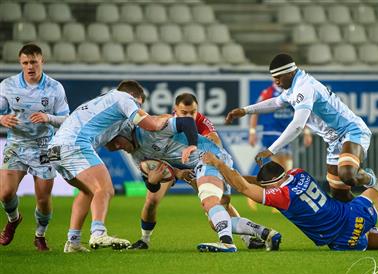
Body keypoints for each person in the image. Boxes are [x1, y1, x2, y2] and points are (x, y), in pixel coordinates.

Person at [202, 142, 378, 251]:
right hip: (356, 212)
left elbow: (246, 188)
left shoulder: (280, 196)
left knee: (357, 238)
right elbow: (254, 183)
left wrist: (217, 164)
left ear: (271, 185)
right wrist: (232, 176)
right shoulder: (298, 173)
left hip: (343, 240)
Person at [106, 116, 282, 252]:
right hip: (203, 165)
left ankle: (227, 243)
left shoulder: (150, 129)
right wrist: (152, 182)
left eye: (116, 141)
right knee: (217, 221)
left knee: (209, 200)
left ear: (125, 131)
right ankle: (267, 233)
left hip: (208, 158)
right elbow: (152, 184)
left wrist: (191, 145)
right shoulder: (137, 156)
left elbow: (187, 122)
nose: (116, 146)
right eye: (111, 145)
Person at [48, 80, 178, 253]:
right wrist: (167, 122)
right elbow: (149, 123)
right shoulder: (123, 98)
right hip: (75, 144)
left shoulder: (102, 103)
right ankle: (98, 233)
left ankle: (73, 242)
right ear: (136, 97)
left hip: (54, 150)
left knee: (88, 191)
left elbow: (110, 145)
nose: (138, 107)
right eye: (139, 104)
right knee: (106, 189)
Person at [227, 53, 376, 202]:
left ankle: (370, 179)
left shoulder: (304, 87)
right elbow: (276, 103)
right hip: (333, 141)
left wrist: (271, 150)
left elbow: (298, 125)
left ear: (291, 72)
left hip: (351, 130)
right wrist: (245, 110)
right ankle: (366, 223)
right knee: (340, 196)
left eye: (279, 77)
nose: (276, 82)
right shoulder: (293, 88)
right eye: (274, 78)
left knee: (347, 175)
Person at [127, 93, 266, 250]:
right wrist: (174, 172)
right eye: (184, 113)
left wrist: (214, 162)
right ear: (175, 111)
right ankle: (144, 239)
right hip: (168, 166)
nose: (190, 116)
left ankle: (247, 238)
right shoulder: (166, 121)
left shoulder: (201, 121)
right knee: (151, 201)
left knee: (218, 203)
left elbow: (215, 141)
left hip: (194, 165)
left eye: (193, 112)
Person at [0, 43, 69, 251]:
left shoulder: (55, 87)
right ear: (21, 63)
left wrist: (48, 118)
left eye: (34, 62)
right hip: (16, 145)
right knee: (5, 193)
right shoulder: (8, 85)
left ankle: (40, 235)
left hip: (45, 147)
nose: (30, 66)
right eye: (25, 63)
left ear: (42, 62)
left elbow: (66, 118)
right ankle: (14, 219)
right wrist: (2, 118)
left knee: (43, 198)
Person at [248, 81, 313, 171]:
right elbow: (255, 111)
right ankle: (281, 182)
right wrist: (252, 132)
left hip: (286, 133)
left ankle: (279, 183)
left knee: (286, 165)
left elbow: (301, 113)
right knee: (282, 165)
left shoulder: (293, 93)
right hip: (271, 132)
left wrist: (307, 132)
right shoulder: (268, 92)